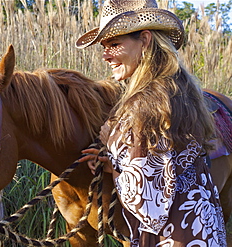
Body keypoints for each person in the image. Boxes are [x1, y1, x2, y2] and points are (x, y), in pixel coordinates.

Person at [76, 0, 227, 246]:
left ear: (145, 40)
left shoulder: (144, 103)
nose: (105, 55)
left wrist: (111, 149)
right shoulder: (177, 90)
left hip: (171, 236)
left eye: (114, 45)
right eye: (104, 47)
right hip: (201, 227)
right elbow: (168, 167)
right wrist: (116, 159)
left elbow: (149, 205)